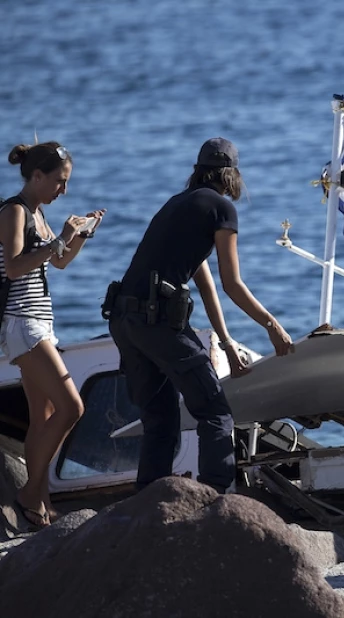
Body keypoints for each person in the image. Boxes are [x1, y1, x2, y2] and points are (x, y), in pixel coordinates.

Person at [107, 137, 294, 494]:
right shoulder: (221, 209)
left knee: (160, 420)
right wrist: (272, 326)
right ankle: (217, 499)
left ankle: (149, 502)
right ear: (231, 175)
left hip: (123, 320)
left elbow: (205, 283)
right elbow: (232, 284)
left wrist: (225, 343)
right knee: (215, 412)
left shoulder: (178, 204)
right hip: (157, 320)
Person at [0, 141, 105, 528]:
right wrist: (60, 238)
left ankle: (37, 503)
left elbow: (58, 262)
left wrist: (77, 236)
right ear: (37, 175)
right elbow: (13, 267)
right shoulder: (13, 211)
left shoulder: (38, 215)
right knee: (72, 407)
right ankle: (29, 493)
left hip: (40, 323)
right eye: (59, 182)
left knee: (42, 417)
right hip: (22, 323)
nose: (64, 190)